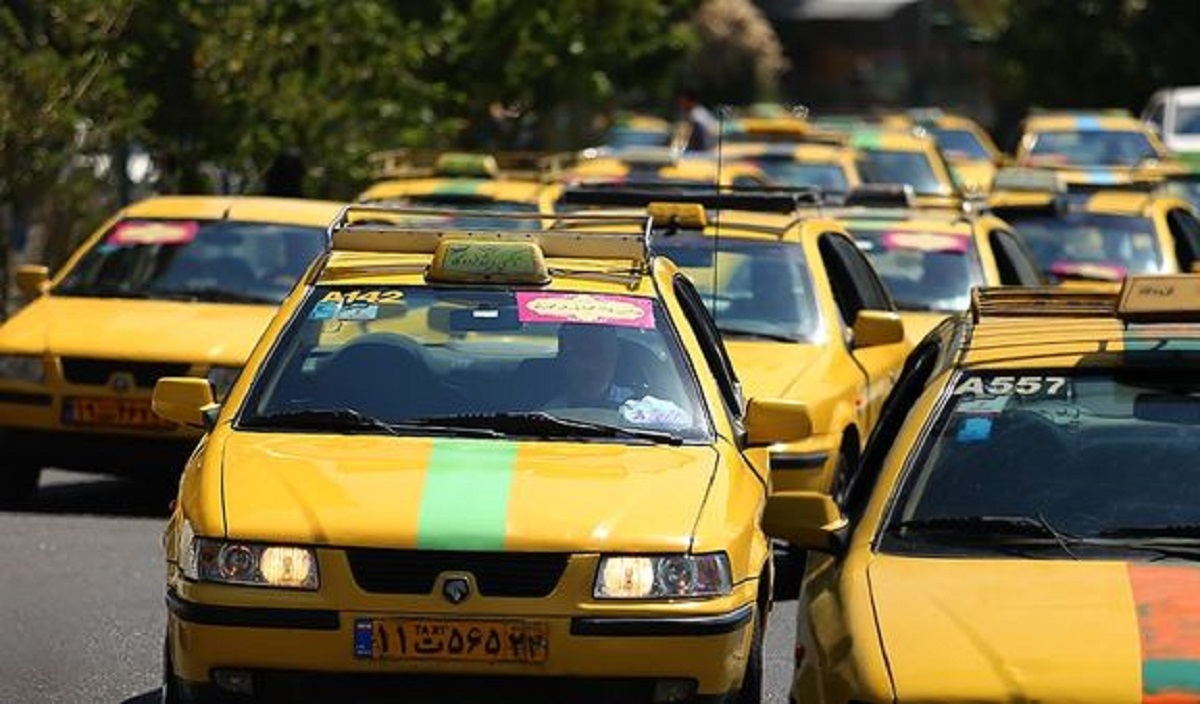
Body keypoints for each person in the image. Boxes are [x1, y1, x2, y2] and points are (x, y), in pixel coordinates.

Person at [545, 323, 635, 409]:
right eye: (581, 354)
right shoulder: (549, 415)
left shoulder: (638, 407)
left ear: (615, 357)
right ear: (565, 360)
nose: (591, 365)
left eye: (600, 353)